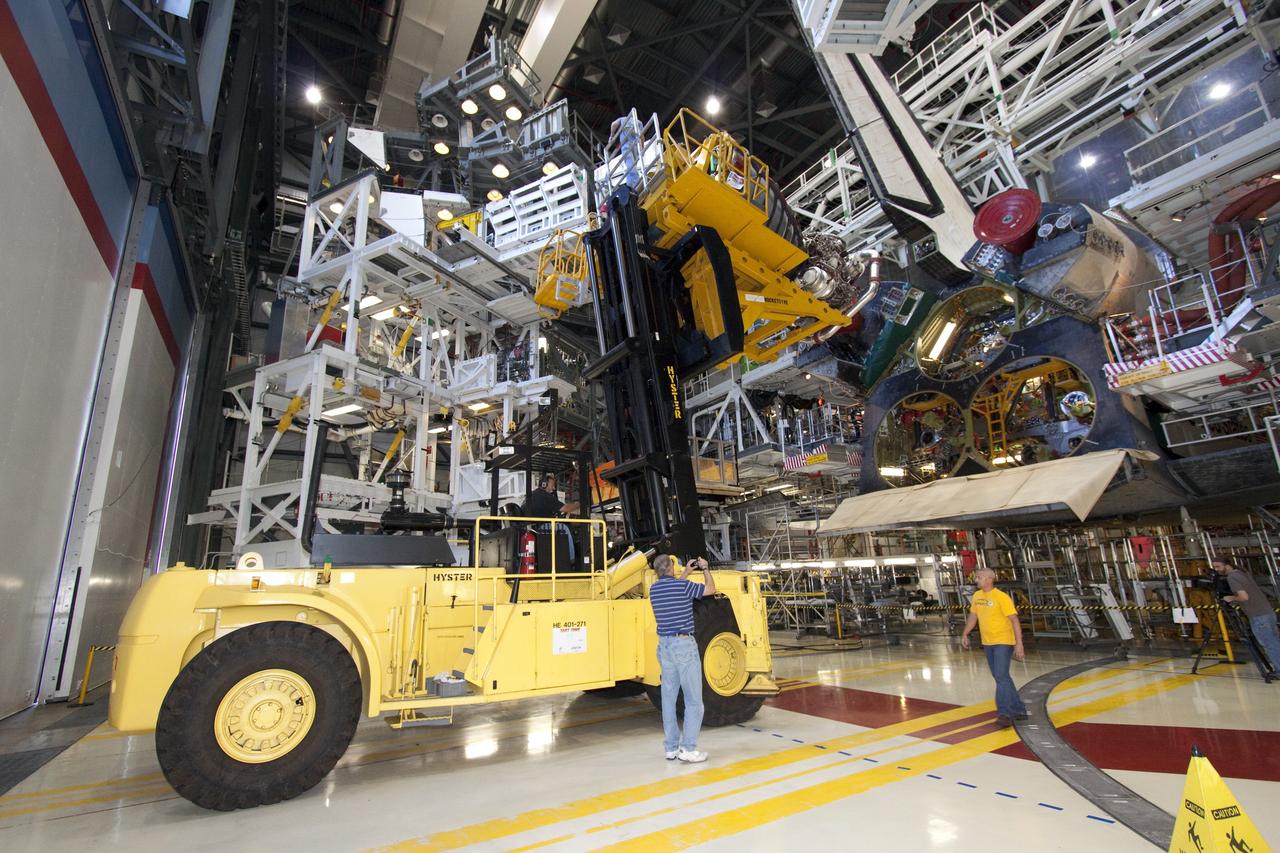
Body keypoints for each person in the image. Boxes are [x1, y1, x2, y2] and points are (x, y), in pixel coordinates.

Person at [650, 553, 715, 763]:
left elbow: (675, 589)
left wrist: (687, 571)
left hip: (665, 647)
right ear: (670, 568)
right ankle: (688, 748)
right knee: (694, 700)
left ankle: (671, 748)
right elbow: (710, 590)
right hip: (684, 647)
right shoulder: (682, 588)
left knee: (668, 699)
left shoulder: (654, 590)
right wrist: (704, 568)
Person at [960, 568, 1027, 727]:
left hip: (1003, 641)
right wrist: (965, 633)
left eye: (979, 577)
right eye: (977, 577)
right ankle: (1019, 709)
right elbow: (973, 616)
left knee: (1001, 675)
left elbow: (1014, 620)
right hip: (987, 642)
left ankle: (1004, 713)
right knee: (1001, 676)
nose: (976, 579)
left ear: (990, 579)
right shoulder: (977, 596)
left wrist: (1019, 643)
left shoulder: (1001, 597)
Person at [1213, 558, 1280, 672]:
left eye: (1218, 566)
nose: (1216, 570)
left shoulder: (1232, 577)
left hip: (1258, 616)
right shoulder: (1242, 573)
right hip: (1267, 613)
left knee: (1269, 643)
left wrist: (1231, 598)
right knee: (1274, 641)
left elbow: (1244, 597)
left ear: (1227, 565)